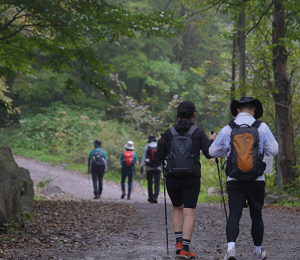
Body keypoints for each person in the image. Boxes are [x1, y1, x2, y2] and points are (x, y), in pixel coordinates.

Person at [209, 97, 279, 260]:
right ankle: (257, 252)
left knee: (234, 214)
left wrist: (227, 152)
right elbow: (274, 149)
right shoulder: (261, 127)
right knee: (256, 215)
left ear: (238, 110)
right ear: (253, 109)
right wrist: (260, 152)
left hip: (234, 179)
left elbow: (212, 152)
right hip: (257, 178)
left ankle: (231, 249)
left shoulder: (228, 128)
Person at [157, 101, 214, 259]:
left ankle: (178, 242)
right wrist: (212, 140)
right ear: (193, 115)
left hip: (172, 177)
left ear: (178, 115)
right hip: (191, 176)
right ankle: (185, 250)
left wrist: (161, 141)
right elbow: (209, 154)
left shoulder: (168, 133)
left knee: (177, 208)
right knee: (189, 213)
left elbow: (159, 156)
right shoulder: (198, 132)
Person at [141, 135, 161, 203]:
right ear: (155, 140)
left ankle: (150, 197)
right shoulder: (158, 146)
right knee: (157, 182)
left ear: (149, 141)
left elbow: (144, 157)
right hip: (158, 167)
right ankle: (155, 196)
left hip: (149, 168)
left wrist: (142, 166)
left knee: (150, 183)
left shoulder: (147, 147)